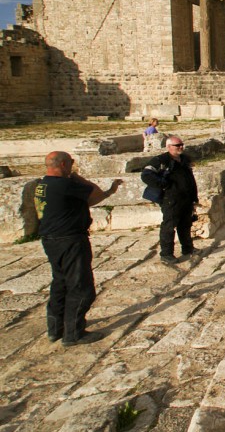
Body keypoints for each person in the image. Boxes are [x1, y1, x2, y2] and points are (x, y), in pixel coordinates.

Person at [34, 151, 122, 346]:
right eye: (71, 163)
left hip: (51, 239)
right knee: (80, 287)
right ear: (64, 164)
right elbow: (96, 194)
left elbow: (88, 201)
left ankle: (55, 329)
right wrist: (78, 177)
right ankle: (74, 333)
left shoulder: (43, 184)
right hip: (70, 240)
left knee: (60, 283)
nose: (72, 166)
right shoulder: (66, 184)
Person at [141, 136, 198, 264]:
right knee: (169, 226)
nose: (180, 147)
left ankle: (188, 249)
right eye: (177, 145)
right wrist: (164, 184)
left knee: (185, 224)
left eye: (181, 145)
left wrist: (194, 197)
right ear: (168, 147)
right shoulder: (161, 160)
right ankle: (166, 254)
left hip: (186, 198)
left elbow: (190, 178)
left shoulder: (184, 159)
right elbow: (146, 175)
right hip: (171, 199)